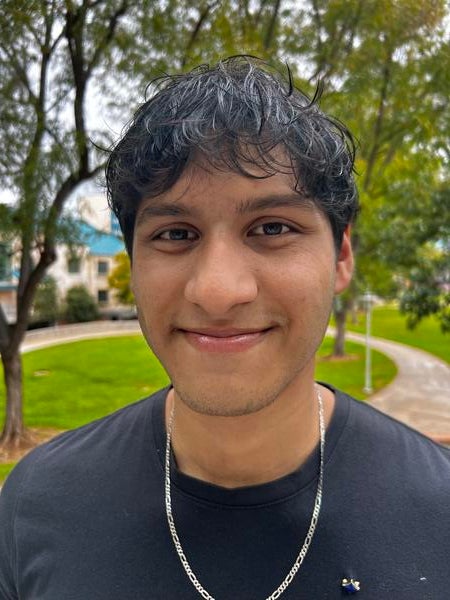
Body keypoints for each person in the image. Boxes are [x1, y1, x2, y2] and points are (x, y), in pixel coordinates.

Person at [0, 56, 449, 600]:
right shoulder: (36, 505)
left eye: (272, 228)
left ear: (341, 258)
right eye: (176, 234)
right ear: (134, 264)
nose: (217, 290)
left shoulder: (439, 513)